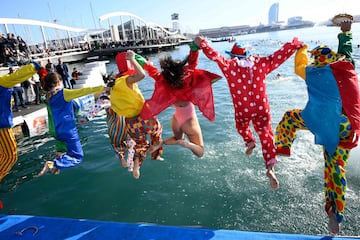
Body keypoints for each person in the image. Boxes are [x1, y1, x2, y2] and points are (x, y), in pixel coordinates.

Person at [274, 20, 359, 234]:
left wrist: (301, 48)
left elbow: (298, 65)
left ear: (315, 59)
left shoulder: (311, 72)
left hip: (322, 122)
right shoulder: (346, 66)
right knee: (335, 167)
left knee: (290, 118)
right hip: (347, 125)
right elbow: (346, 50)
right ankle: (336, 213)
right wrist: (345, 32)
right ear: (332, 59)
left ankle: (283, 147)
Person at [195, 35, 303, 190]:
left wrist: (203, 44)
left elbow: (215, 57)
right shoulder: (260, 63)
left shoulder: (229, 66)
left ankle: (249, 140)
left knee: (242, 126)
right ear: (247, 55)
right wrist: (293, 46)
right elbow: (278, 57)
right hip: (261, 108)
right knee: (266, 134)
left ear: (233, 56)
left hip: (243, 109)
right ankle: (270, 168)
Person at [137, 42, 222, 157]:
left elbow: (154, 73)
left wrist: (142, 62)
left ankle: (161, 143)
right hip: (189, 121)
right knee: (200, 151)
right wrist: (194, 49)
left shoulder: (166, 81)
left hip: (176, 120)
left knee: (178, 138)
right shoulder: (187, 79)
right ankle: (186, 144)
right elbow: (193, 64)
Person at [36, 72, 104, 177]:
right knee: (77, 157)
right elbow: (84, 91)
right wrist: (102, 87)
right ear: (59, 82)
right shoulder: (64, 93)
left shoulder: (45, 95)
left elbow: (42, 88)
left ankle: (57, 165)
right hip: (66, 129)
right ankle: (52, 164)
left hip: (54, 130)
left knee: (61, 148)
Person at [109, 50, 163, 179]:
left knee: (140, 145)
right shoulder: (127, 80)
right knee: (157, 131)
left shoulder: (113, 85)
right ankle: (155, 151)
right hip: (144, 116)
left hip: (131, 123)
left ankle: (137, 165)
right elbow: (142, 75)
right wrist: (133, 59)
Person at [0, 62, 40, 182]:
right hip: (2, 125)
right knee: (10, 156)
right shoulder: (2, 81)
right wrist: (34, 66)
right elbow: (18, 76)